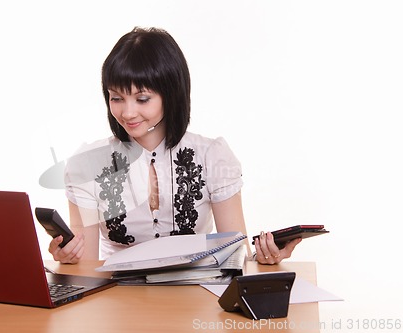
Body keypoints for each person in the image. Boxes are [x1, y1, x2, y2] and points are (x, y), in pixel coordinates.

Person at [49, 27, 301, 265]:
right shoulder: (87, 164)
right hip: (118, 299)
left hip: (197, 296)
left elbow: (234, 256)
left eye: (142, 98)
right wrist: (70, 255)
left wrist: (264, 258)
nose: (127, 112)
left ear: (170, 95)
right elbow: (86, 267)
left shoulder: (212, 156)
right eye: (116, 98)